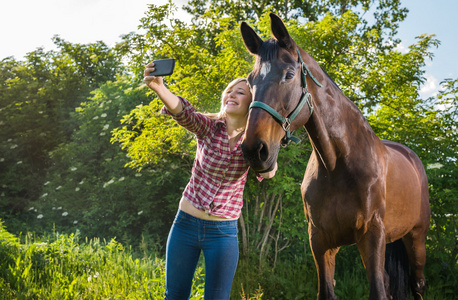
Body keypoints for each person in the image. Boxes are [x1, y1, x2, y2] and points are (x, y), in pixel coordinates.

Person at [143, 61, 277, 300]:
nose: (231, 94)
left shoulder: (253, 141)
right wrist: (159, 88)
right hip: (185, 224)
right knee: (174, 295)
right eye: (229, 91)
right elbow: (183, 113)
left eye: (240, 92)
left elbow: (267, 168)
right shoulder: (208, 127)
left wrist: (269, 166)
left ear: (251, 102)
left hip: (223, 233)